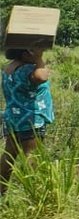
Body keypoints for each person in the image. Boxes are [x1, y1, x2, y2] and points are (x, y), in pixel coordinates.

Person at [2, 48, 53, 197]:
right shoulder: (27, 69)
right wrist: (38, 57)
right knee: (32, 157)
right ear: (25, 54)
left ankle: (1, 192)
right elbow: (42, 76)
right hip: (31, 121)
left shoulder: (10, 67)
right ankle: (35, 195)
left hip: (13, 119)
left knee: (9, 155)